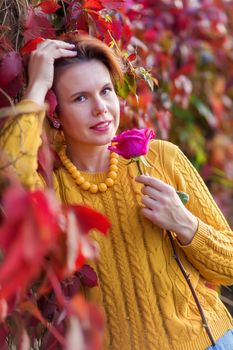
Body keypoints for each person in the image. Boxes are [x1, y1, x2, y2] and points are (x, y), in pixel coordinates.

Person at [0, 33, 233, 350]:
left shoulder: (160, 158)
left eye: (105, 91)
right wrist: (37, 88)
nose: (101, 108)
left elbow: (229, 268)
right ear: (55, 114)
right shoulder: (54, 187)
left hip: (209, 342)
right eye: (80, 98)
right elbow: (9, 170)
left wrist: (185, 224)